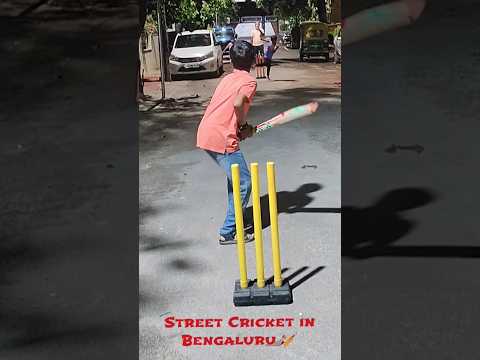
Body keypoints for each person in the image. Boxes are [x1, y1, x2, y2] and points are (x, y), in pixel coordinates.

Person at [196, 40, 257, 245]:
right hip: (222, 137)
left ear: (231, 61)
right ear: (254, 60)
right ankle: (228, 231)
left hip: (207, 131)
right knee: (244, 183)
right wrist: (242, 126)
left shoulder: (227, 79)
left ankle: (237, 217)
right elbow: (238, 103)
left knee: (235, 180)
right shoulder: (249, 82)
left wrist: (240, 128)